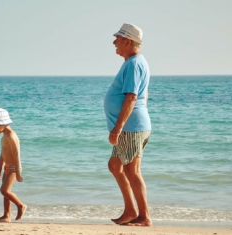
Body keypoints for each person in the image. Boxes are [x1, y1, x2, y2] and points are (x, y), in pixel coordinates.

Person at [104, 23, 152, 227]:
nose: (114, 41)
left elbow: (132, 97)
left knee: (127, 169)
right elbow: (144, 95)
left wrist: (118, 127)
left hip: (131, 127)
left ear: (128, 41)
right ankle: (132, 211)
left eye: (118, 38)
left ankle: (143, 216)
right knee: (121, 166)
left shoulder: (134, 63)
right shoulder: (133, 62)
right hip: (134, 125)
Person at [0, 108, 27, 222]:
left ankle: (21, 205)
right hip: (7, 168)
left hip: (13, 168)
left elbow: (16, 154)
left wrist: (18, 172)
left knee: (4, 191)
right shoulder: (4, 136)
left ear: (2, 123)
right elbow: (2, 154)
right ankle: (6, 216)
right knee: (6, 193)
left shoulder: (11, 136)